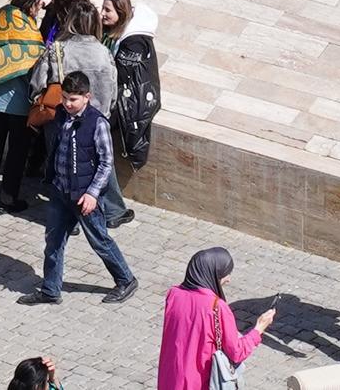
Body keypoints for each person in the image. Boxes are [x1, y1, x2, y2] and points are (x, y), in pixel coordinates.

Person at [32, 69, 132, 305]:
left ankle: (126, 280)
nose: (67, 103)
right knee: (53, 242)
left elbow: (107, 162)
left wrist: (92, 193)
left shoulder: (97, 123)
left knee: (100, 241)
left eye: (73, 99)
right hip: (60, 190)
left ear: (87, 96)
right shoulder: (60, 116)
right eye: (65, 97)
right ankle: (50, 290)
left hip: (84, 195)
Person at [153, 247, 266, 390]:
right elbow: (236, 352)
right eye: (225, 274)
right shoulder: (217, 307)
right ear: (213, 274)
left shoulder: (174, 295)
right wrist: (259, 329)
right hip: (199, 383)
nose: (228, 279)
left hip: (170, 380)